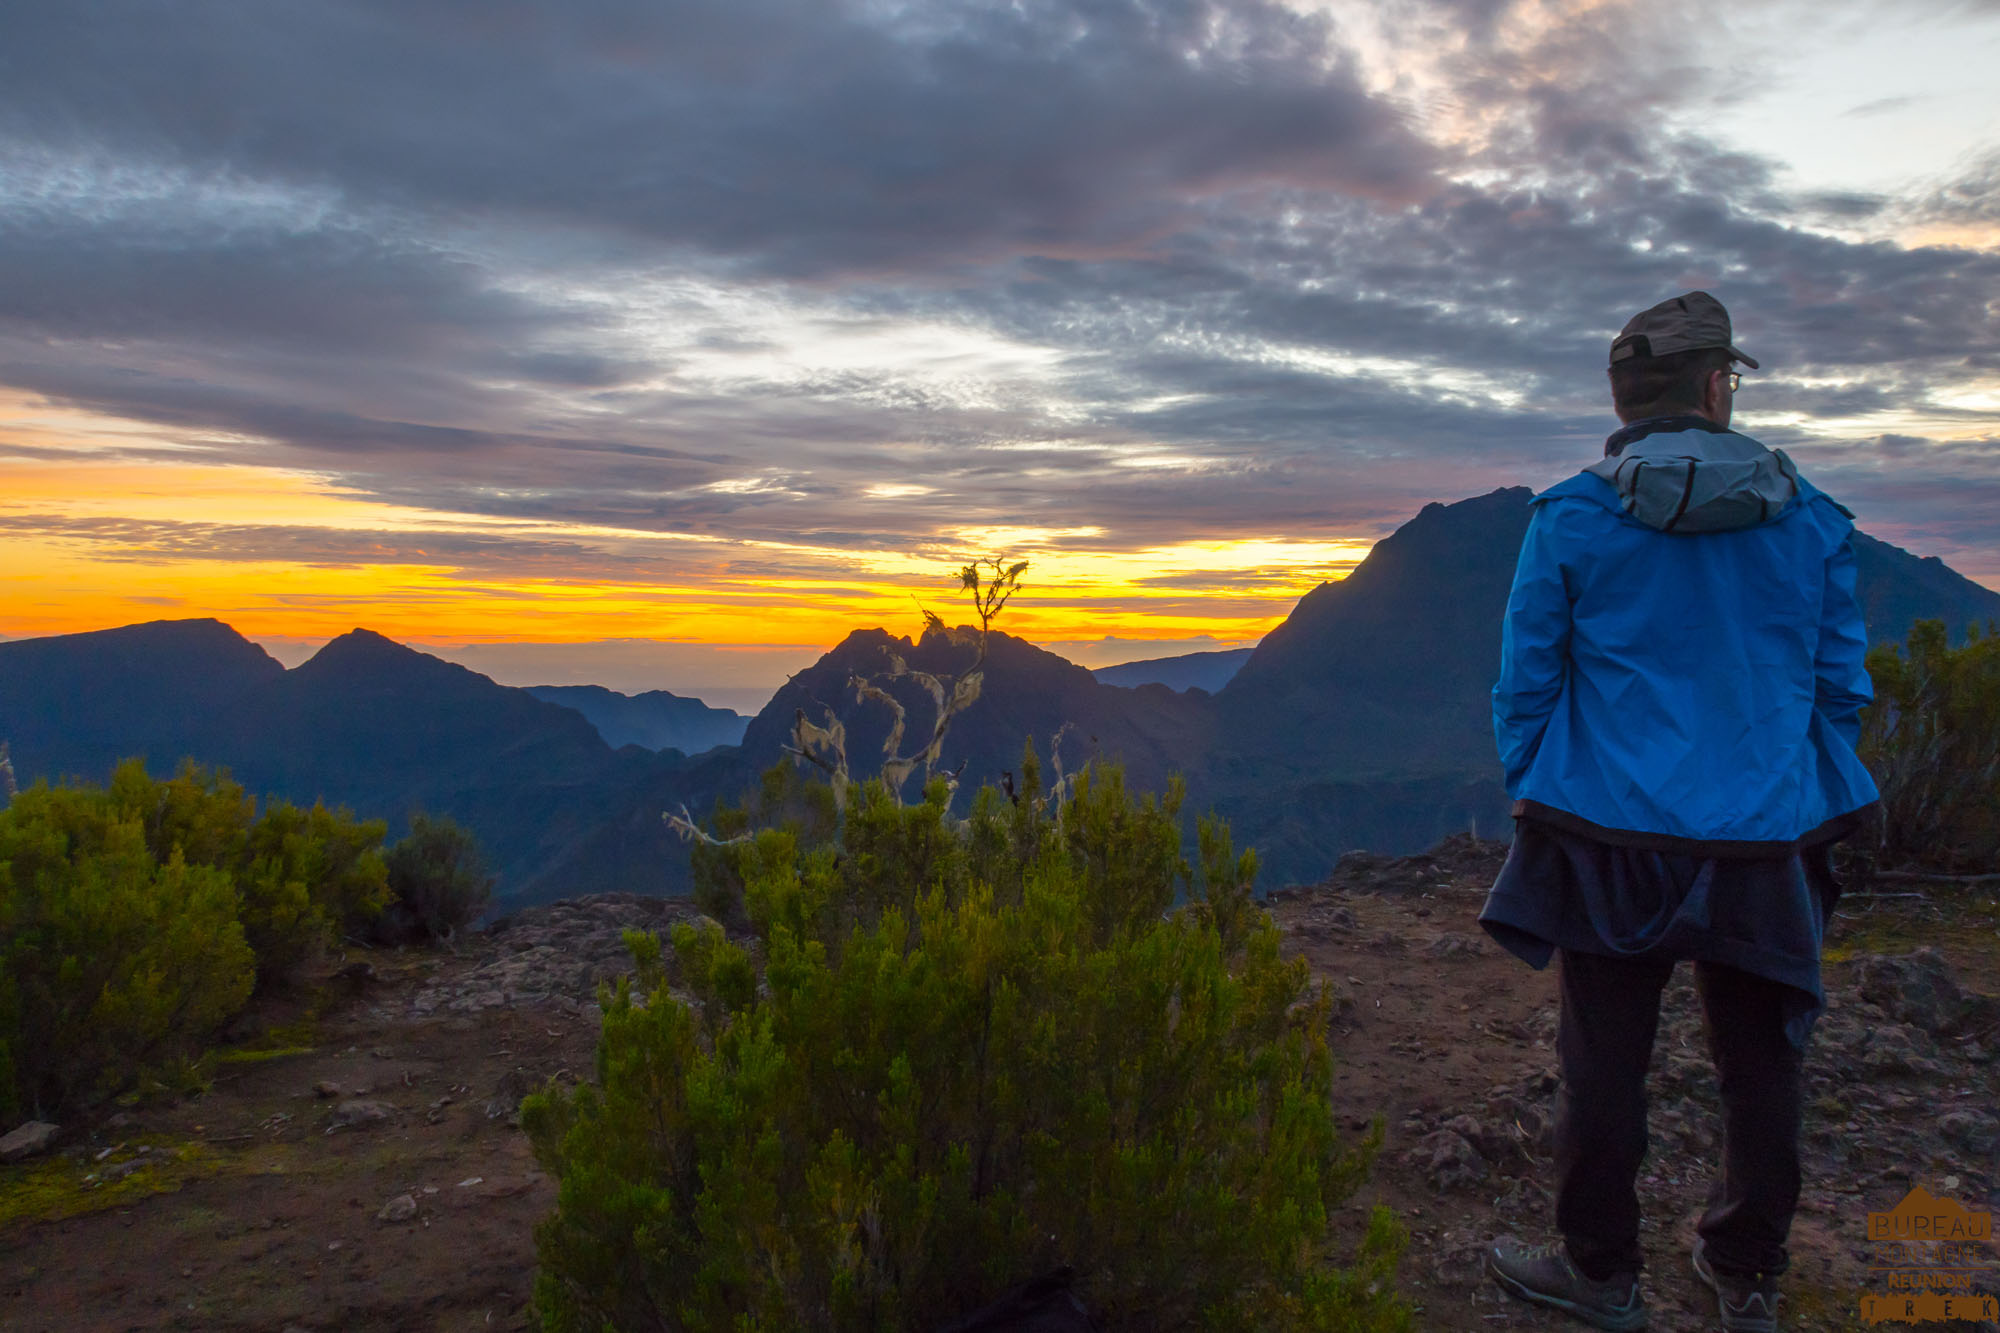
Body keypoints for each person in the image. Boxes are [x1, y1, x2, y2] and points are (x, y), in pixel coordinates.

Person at [1476, 291, 1880, 1333]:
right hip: (1759, 837)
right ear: (1710, 388)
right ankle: (1746, 1273)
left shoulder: (1568, 517)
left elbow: (1526, 680)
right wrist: (1791, 786)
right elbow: (1840, 686)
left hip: (1605, 832)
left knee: (1601, 1061)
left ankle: (1600, 1275)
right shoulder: (1812, 522)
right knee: (1760, 1063)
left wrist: (1541, 785)